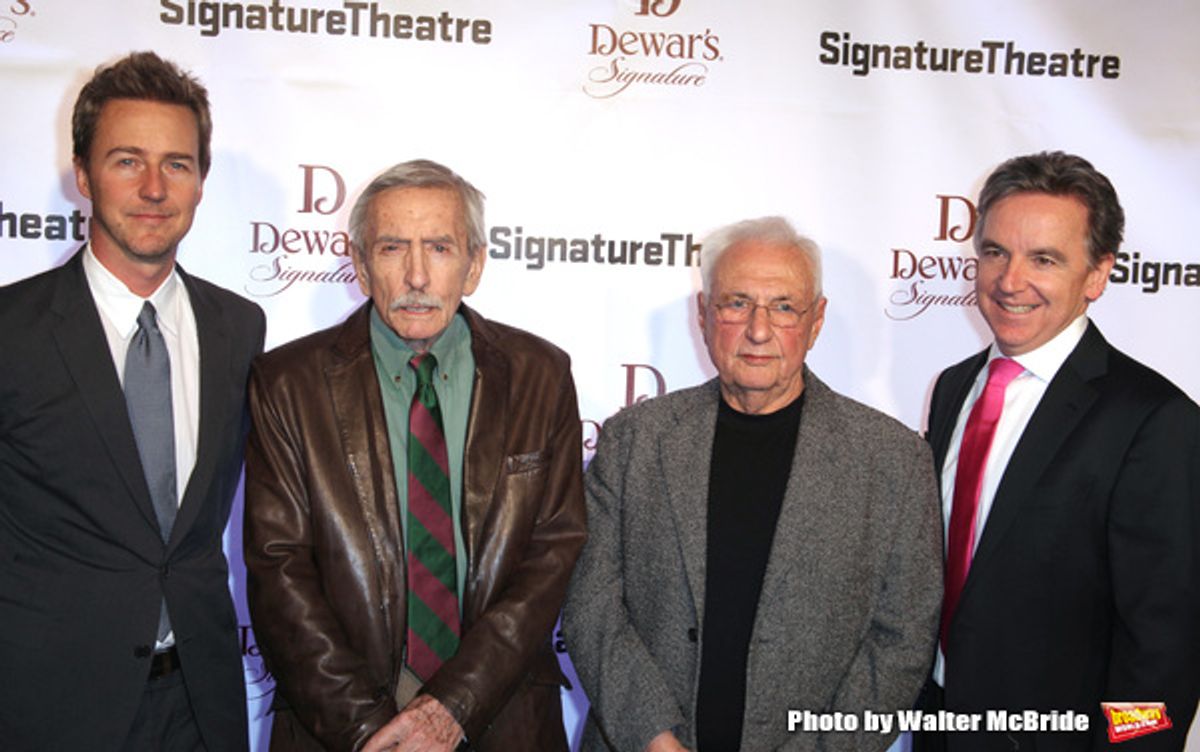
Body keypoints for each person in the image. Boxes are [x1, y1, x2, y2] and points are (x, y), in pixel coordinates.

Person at [563, 216, 942, 752]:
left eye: (784, 306)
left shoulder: (892, 461)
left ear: (816, 322)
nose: (758, 330)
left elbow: (902, 642)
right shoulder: (636, 440)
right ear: (703, 315)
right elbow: (591, 602)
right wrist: (652, 738)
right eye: (736, 303)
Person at [244, 158, 587, 751]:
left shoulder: (541, 376)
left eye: (440, 248)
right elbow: (280, 573)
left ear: (474, 264)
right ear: (359, 264)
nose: (417, 276)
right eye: (393, 248)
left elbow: (552, 556)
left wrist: (452, 708)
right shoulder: (287, 384)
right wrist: (370, 732)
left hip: (502, 717)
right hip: (340, 727)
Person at [0, 52, 263, 751]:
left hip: (202, 702)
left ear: (202, 181)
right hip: (46, 705)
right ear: (82, 175)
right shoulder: (9, 330)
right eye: (126, 160)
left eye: (176, 163)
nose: (154, 187)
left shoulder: (240, 327)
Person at [919, 151, 1199, 751]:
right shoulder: (951, 388)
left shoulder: (1154, 420)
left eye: (1043, 259)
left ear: (1097, 275)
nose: (1009, 280)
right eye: (995, 251)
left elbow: (1165, 646)